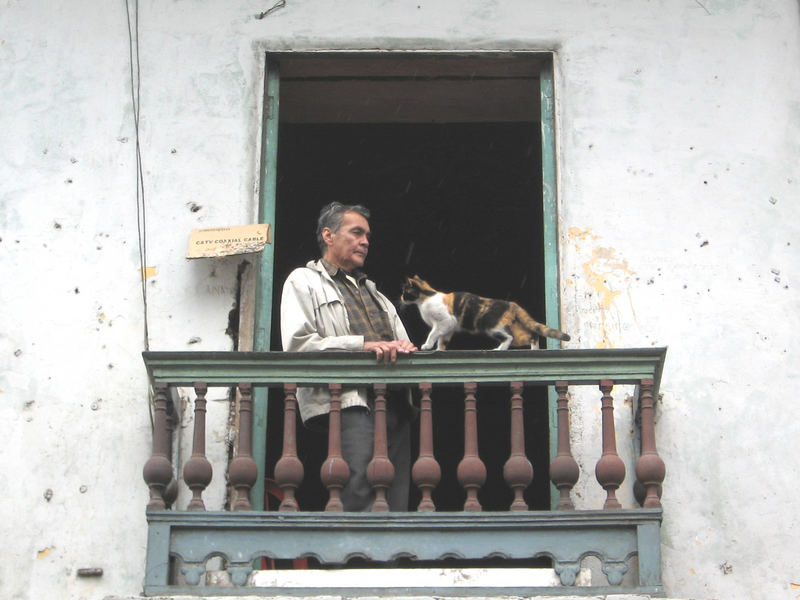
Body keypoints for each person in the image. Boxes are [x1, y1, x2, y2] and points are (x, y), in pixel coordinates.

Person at [280, 202, 417, 511]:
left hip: (395, 403)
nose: (365, 241)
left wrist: (406, 348)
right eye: (356, 233)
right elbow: (299, 345)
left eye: (367, 235)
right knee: (358, 490)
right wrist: (362, 346)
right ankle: (355, 559)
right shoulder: (304, 281)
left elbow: (402, 342)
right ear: (328, 236)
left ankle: (390, 560)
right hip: (350, 402)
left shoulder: (375, 294)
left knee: (395, 496)